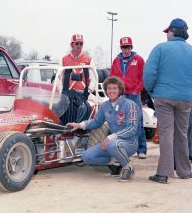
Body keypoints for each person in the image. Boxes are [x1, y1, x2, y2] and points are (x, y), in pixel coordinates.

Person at [144, 18, 192, 184]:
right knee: (182, 134)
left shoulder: (161, 48)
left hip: (164, 97)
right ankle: (185, 171)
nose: (166, 35)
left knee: (166, 134)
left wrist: (151, 91)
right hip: (185, 98)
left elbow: (149, 74)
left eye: (167, 32)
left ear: (173, 32)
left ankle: (163, 173)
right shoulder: (191, 51)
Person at [67, 76, 140, 182]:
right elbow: (96, 122)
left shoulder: (130, 104)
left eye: (114, 88)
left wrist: (111, 137)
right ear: (105, 90)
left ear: (120, 90)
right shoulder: (105, 106)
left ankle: (127, 167)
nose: (111, 91)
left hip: (129, 143)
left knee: (112, 144)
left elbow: (132, 128)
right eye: (109, 88)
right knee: (86, 157)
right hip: (112, 143)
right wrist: (80, 125)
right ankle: (116, 161)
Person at [110, 37, 147, 159]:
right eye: (124, 47)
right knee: (120, 122)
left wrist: (137, 90)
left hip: (134, 95)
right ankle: (125, 148)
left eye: (128, 47)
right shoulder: (116, 61)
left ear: (131, 47)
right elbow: (112, 78)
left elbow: (143, 77)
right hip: (121, 96)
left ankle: (141, 149)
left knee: (138, 122)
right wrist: (115, 92)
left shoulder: (139, 60)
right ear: (121, 48)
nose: (126, 50)